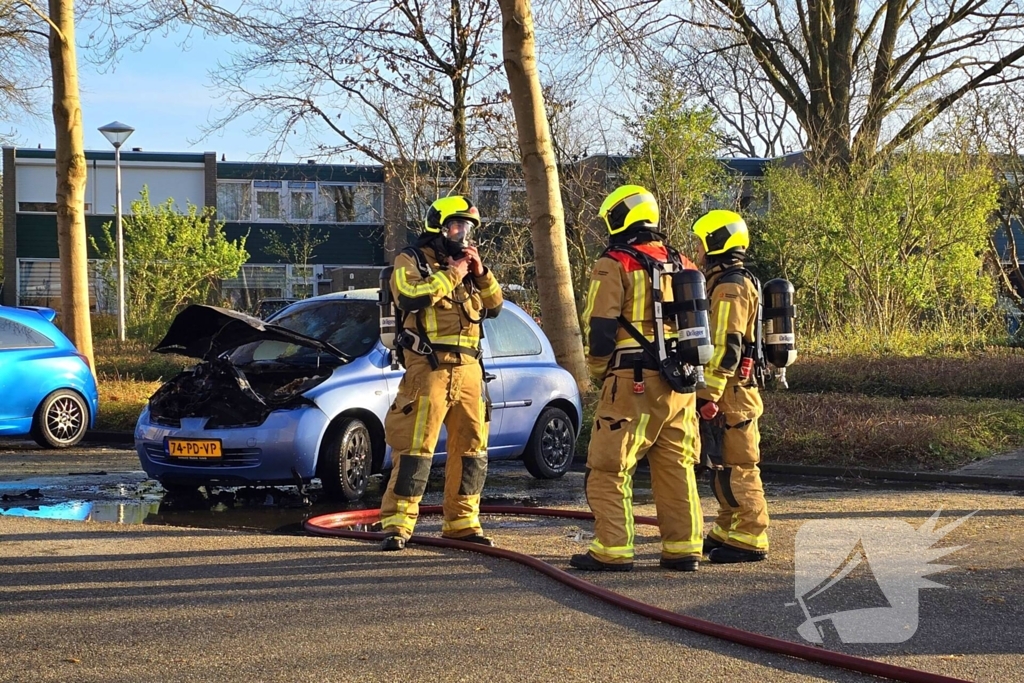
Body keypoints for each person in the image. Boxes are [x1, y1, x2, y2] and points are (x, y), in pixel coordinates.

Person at [570, 185, 704, 572]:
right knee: (676, 467)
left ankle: (612, 550)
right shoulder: (683, 264)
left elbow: (600, 329)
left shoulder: (613, 263)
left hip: (632, 381)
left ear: (620, 217)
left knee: (609, 467)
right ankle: (683, 548)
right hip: (681, 383)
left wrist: (599, 373)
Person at [378, 196, 503, 551]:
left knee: (472, 451)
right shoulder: (412, 259)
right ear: (438, 226)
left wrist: (479, 273)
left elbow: (495, 306)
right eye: (456, 226)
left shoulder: (469, 267)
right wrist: (453, 274)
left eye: (467, 227)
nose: (462, 234)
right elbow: (409, 296)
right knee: (415, 450)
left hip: (470, 372)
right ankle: (398, 524)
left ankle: (462, 523)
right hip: (428, 370)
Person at [691, 209, 769, 563]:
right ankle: (727, 526)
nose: (698, 250)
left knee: (740, 466)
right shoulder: (729, 281)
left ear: (716, 243)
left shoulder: (730, 287)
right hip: (732, 390)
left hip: (732, 392)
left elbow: (727, 344)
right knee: (722, 464)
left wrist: (708, 394)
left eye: (702, 242)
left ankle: (752, 535)